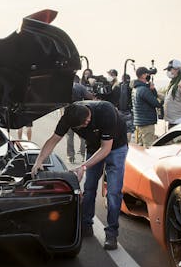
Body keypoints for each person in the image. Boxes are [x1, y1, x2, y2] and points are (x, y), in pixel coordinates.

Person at [31, 100, 128, 250]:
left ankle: (111, 233)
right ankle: (86, 225)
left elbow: (106, 149)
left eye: (85, 124)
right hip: (93, 147)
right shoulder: (69, 117)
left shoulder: (105, 111)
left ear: (89, 118)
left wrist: (83, 166)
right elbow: (53, 140)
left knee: (113, 192)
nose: (84, 128)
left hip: (115, 148)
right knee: (89, 188)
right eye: (79, 127)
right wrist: (39, 161)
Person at [132, 66, 162, 148]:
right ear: (143, 75)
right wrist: (163, 100)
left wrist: (152, 89)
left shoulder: (136, 89)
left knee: (140, 147)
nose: (149, 76)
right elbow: (156, 103)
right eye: (147, 74)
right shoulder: (143, 90)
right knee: (148, 146)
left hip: (140, 122)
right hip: (147, 123)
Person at [67, 75, 94, 164]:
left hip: (68, 113)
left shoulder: (67, 87)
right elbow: (90, 96)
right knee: (83, 136)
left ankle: (70, 156)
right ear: (78, 80)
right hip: (79, 113)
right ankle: (83, 154)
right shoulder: (80, 87)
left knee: (69, 136)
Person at [163, 59, 181, 129]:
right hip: (173, 120)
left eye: (170, 69)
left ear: (177, 69)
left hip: (180, 120)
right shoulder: (173, 83)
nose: (169, 72)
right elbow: (171, 98)